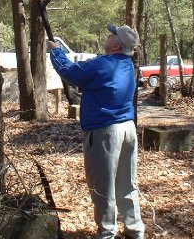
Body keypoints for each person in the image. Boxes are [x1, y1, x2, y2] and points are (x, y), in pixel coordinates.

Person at [48, 24, 145, 239]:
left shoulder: (104, 64)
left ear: (117, 44)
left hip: (106, 132)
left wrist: (55, 51)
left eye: (112, 35)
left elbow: (70, 73)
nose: (108, 36)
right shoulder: (128, 64)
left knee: (103, 188)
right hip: (128, 129)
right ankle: (135, 231)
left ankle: (107, 234)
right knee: (126, 185)